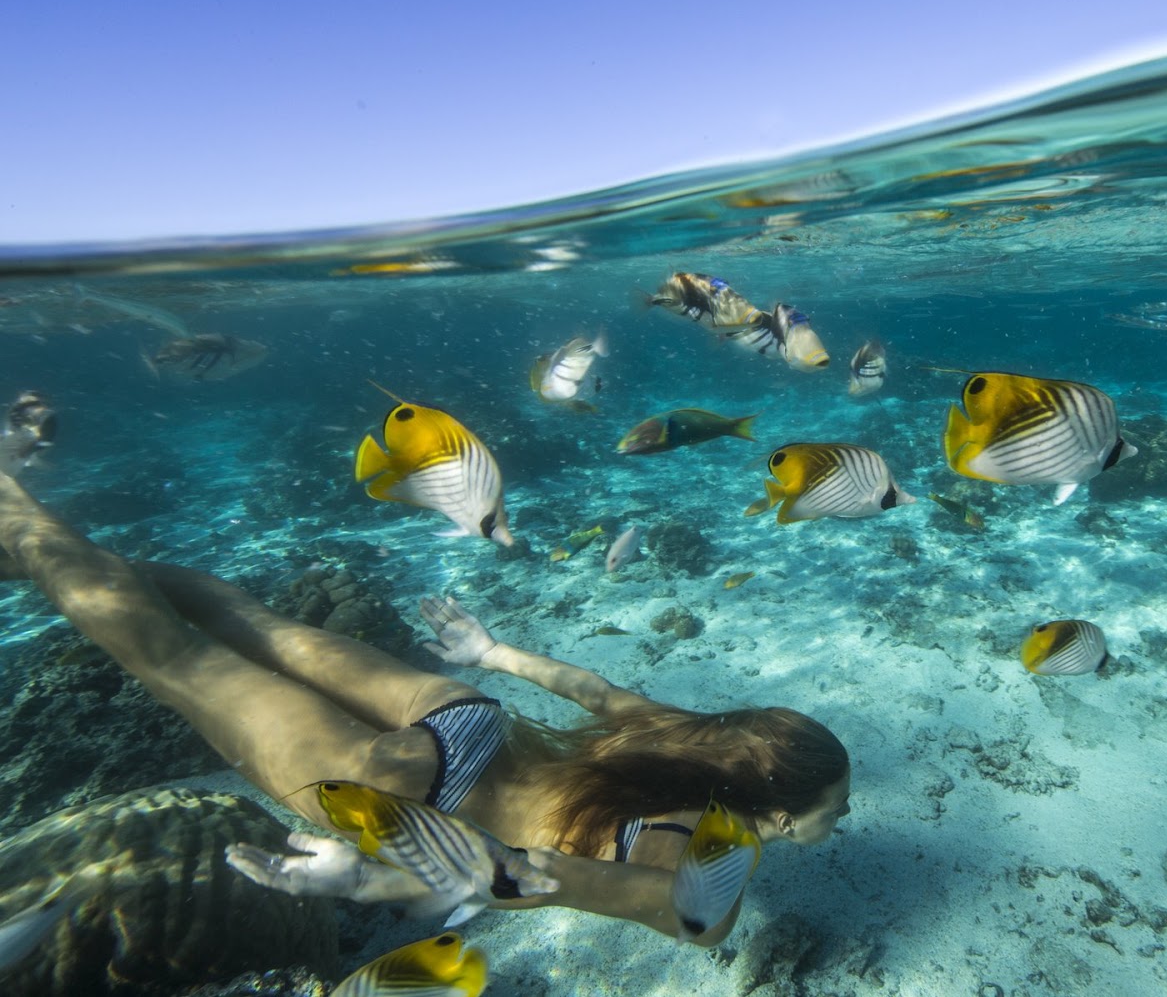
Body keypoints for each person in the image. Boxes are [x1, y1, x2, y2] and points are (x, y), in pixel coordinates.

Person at [0, 400, 849, 945]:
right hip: (417, 798)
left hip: (465, 717)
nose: (838, 821)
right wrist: (375, 877)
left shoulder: (697, 741)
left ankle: (40, 546)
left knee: (254, 624)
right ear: (772, 809)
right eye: (832, 809)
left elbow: (597, 692)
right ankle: (22, 522)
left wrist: (492, 655)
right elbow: (545, 877)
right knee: (175, 659)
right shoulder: (710, 874)